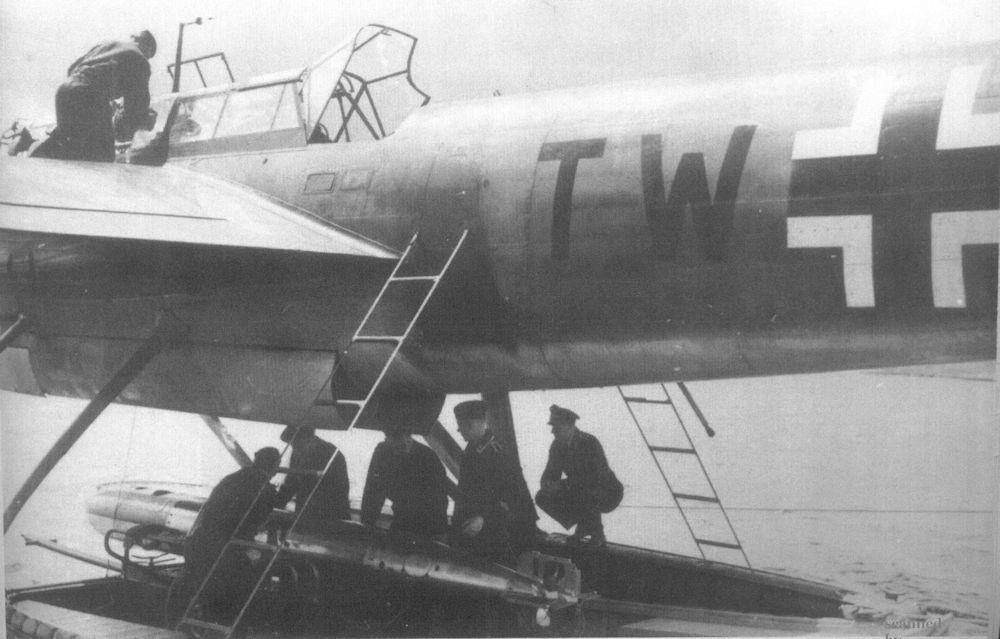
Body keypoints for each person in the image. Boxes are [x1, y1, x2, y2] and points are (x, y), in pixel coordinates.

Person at [171, 447, 281, 622]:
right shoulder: (263, 488)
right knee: (242, 582)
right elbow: (249, 521)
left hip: (196, 541)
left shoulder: (233, 478)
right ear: (274, 466)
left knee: (198, 587)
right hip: (220, 549)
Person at [38, 30, 156, 162]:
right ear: (147, 47)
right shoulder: (140, 59)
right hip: (89, 96)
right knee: (102, 158)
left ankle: (37, 152)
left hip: (65, 91)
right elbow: (136, 107)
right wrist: (140, 125)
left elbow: (71, 68)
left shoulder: (105, 45)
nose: (147, 58)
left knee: (69, 148)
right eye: (149, 55)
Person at [452, 400, 539, 563]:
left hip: (499, 530)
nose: (458, 429)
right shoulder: (472, 450)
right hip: (476, 526)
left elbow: (513, 499)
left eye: (462, 425)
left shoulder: (498, 453)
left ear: (472, 425)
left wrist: (483, 519)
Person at [535, 405, 623, 546]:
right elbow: (550, 472)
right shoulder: (557, 446)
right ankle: (584, 525)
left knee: (586, 491)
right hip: (579, 490)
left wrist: (564, 485)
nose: (552, 431)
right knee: (542, 497)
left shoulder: (589, 442)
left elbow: (596, 478)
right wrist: (547, 485)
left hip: (608, 492)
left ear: (569, 426)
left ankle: (597, 533)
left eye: (556, 427)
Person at [360, 423, 450, 538]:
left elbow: (439, 500)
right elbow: (373, 492)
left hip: (429, 524)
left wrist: (434, 534)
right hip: (401, 519)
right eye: (397, 446)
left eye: (407, 442)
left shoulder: (428, 457)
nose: (404, 448)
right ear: (387, 440)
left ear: (410, 439)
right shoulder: (381, 452)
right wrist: (366, 525)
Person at [276, 426, 350, 533]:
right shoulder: (299, 451)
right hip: (307, 515)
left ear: (306, 437)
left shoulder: (326, 451)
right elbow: (291, 482)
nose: (293, 447)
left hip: (330, 516)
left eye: (295, 443)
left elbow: (298, 482)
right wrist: (275, 505)